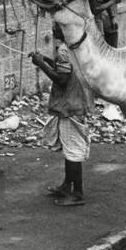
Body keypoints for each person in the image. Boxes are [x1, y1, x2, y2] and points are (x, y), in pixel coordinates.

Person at [29, 26, 94, 206]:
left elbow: (62, 79)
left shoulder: (64, 50)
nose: (53, 29)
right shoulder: (75, 47)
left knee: (72, 151)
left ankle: (77, 193)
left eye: (57, 26)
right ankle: (67, 185)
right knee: (69, 148)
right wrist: (45, 59)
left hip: (69, 106)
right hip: (76, 103)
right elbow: (65, 69)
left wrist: (41, 64)